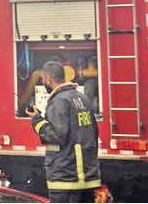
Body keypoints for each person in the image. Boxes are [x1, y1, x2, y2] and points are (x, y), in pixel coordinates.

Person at [25, 61, 100, 203]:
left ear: (48, 79)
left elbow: (56, 135)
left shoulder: (58, 101)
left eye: (42, 79)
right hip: (88, 177)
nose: (43, 82)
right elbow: (94, 133)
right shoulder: (83, 98)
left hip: (65, 178)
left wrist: (37, 120)